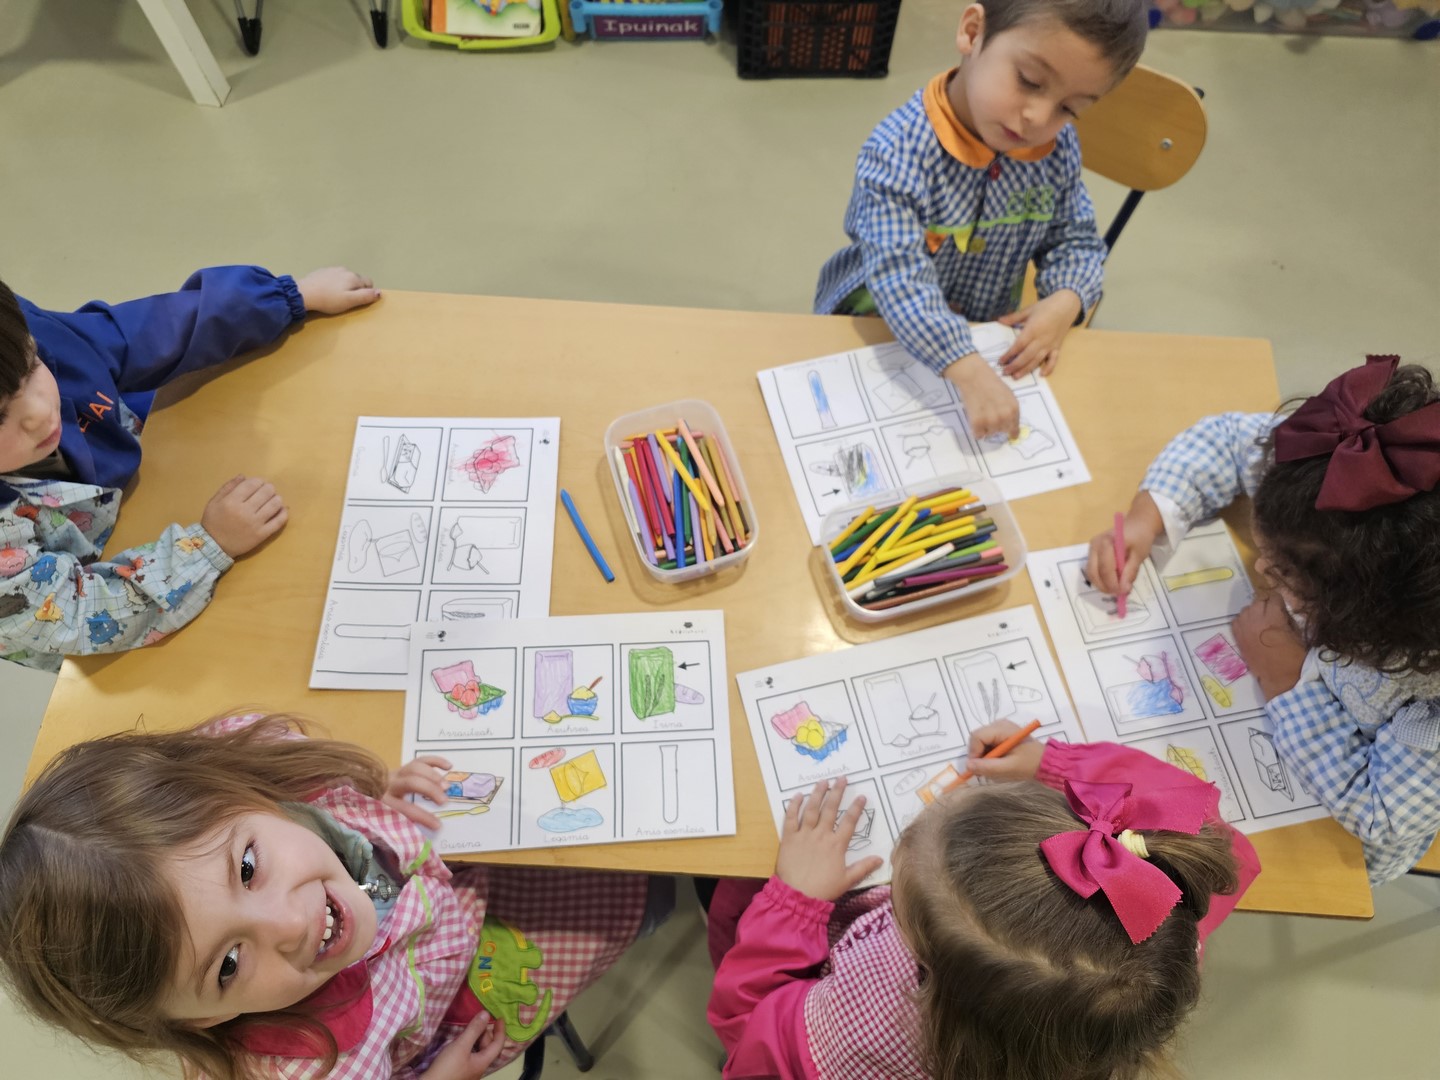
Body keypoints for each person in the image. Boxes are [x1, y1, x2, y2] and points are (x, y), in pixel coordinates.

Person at [0, 713, 666, 1079]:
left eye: (249, 868)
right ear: (198, 1022)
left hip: (454, 885)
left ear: (238, 791)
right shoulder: (315, 1069)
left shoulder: (269, 774)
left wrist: (380, 800)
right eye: (227, 965)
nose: (291, 923)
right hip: (456, 990)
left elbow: (333, 798)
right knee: (645, 894)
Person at [707, 721, 1258, 1080]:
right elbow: (1223, 843)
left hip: (797, 958)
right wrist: (1054, 764)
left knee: (726, 888)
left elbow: (745, 1032)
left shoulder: (859, 1023)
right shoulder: (1155, 925)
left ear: (925, 969)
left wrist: (794, 904)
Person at [1088, 355, 1440, 883]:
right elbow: (1227, 439)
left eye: (1287, 573)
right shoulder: (1332, 472)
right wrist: (1148, 517)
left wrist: (1285, 681)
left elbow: (1382, 817)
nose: (1261, 567)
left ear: (1371, 617)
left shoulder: (1427, 696)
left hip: (1326, 830)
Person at [0, 265, 378, 669]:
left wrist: (287, 298)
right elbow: (75, 616)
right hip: (110, 625)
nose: (39, 411)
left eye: (34, 366)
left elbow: (146, 331)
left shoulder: (17, 344)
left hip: (145, 481)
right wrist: (209, 547)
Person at [814, 0, 1147, 439]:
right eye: (1029, 81)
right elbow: (899, 278)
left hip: (985, 331)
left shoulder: (1057, 148)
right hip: (874, 325)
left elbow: (1075, 239)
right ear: (972, 32)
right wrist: (965, 367)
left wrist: (1068, 297)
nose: (1039, 118)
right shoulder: (897, 151)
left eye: (1070, 108)